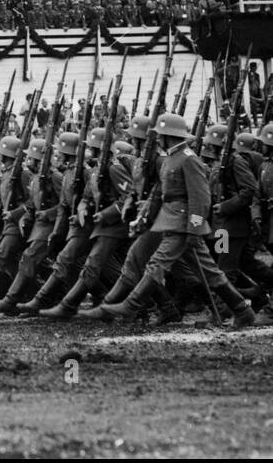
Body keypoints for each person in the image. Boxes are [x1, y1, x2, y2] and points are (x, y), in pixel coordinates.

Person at [91, 113, 257, 327]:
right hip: (170, 221)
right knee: (211, 273)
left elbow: (201, 198)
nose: (157, 139)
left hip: (184, 225)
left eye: (160, 135)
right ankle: (242, 310)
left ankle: (131, 304)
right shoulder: (170, 158)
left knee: (157, 263)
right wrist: (142, 218)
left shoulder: (189, 159)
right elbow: (158, 194)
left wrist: (194, 229)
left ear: (168, 136)